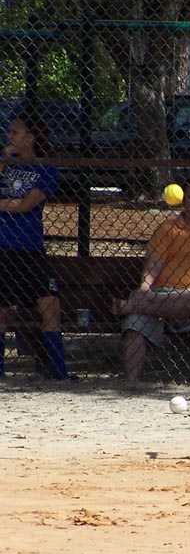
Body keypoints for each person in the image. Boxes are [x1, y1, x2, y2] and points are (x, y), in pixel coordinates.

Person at [112, 179, 190, 381]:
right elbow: (154, 262)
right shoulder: (168, 228)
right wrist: (145, 288)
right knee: (134, 324)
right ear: (183, 201)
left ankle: (131, 306)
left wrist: (140, 301)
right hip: (158, 295)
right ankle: (132, 385)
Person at [0, 109, 70, 379]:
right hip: (4, 246)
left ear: (30, 137)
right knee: (2, 309)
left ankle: (58, 372)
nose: (9, 136)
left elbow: (26, 204)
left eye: (15, 132)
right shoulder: (6, 163)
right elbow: (15, 203)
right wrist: (3, 159)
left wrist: (8, 205)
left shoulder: (46, 168)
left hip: (31, 248)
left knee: (50, 305)